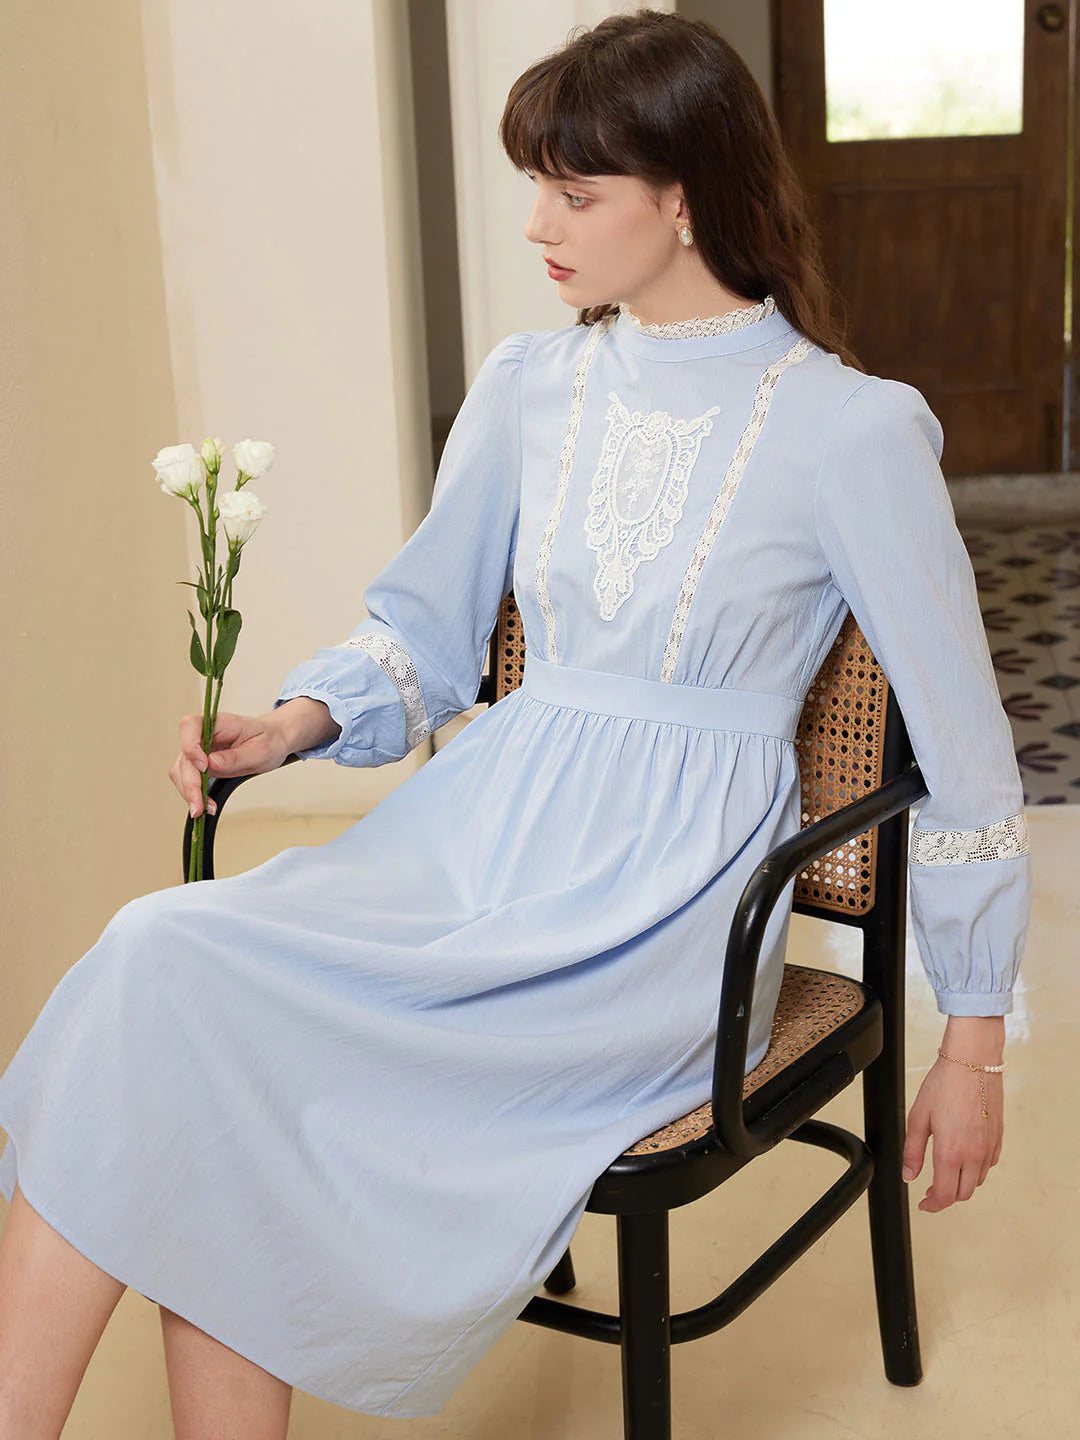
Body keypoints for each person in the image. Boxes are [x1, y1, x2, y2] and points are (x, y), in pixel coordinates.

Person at [0, 9, 1029, 1435]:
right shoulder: (528, 388)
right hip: (470, 847)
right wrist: (291, 726)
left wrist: (972, 1045)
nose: (538, 225)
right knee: (157, 962)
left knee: (194, 1013)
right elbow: (424, 632)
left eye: (575, 192)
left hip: (652, 919)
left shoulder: (854, 430)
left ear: (684, 198)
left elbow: (967, 756)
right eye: (536, 186)